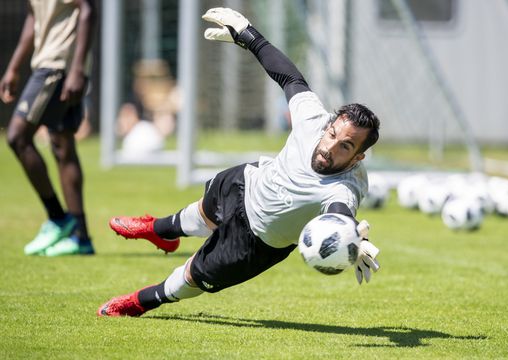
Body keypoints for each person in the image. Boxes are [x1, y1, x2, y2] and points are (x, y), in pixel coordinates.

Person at [98, 7, 381, 317]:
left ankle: (142, 301)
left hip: (257, 241)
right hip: (246, 183)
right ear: (329, 125)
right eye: (332, 134)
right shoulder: (314, 119)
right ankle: (160, 230)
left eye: (346, 146)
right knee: (205, 211)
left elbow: (340, 214)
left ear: (358, 158)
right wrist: (249, 35)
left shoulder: (345, 188)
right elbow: (289, 77)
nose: (330, 147)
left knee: (194, 275)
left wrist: (351, 240)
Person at [0, 0, 96, 256]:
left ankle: (58, 218)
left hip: (59, 65)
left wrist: (77, 69)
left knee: (17, 137)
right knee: (62, 146)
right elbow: (33, 19)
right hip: (47, 63)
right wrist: (13, 67)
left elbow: (88, 10)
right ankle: (81, 238)